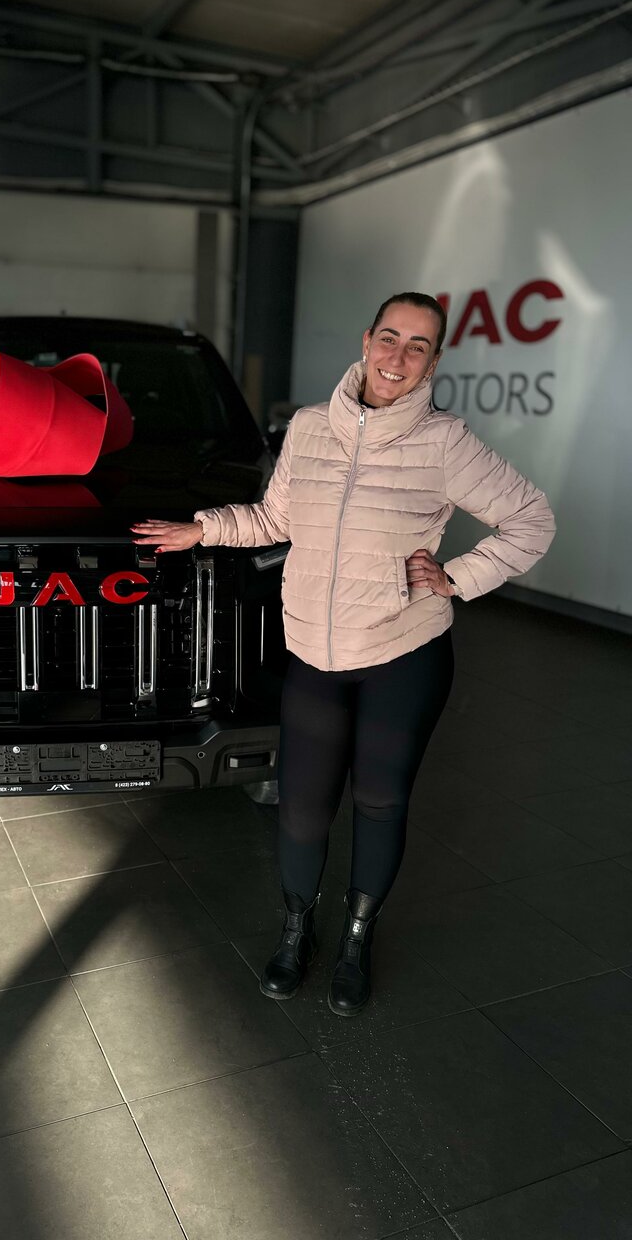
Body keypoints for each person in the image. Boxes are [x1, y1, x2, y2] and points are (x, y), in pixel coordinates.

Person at [132, 292, 555, 1016]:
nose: (398, 356)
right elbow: (276, 517)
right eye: (390, 337)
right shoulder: (309, 428)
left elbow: (531, 519)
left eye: (418, 346)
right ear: (366, 341)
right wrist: (202, 528)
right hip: (315, 655)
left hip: (404, 652)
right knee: (301, 807)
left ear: (433, 362)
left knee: (380, 801)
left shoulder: (445, 442)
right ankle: (297, 930)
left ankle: (357, 937)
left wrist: (457, 578)